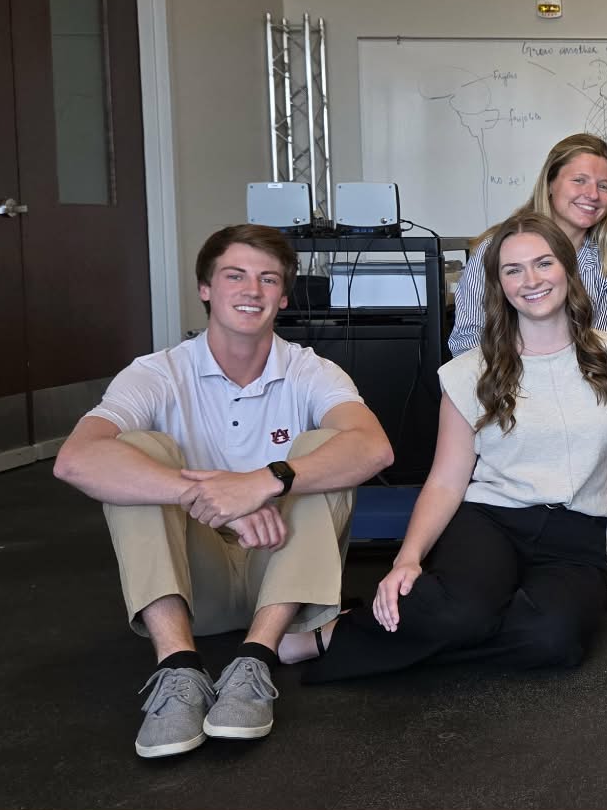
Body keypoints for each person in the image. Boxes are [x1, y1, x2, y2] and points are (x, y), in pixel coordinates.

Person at [52, 224, 395, 758]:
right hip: (197, 588)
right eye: (234, 276)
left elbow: (374, 449)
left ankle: (255, 661)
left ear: (283, 296)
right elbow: (75, 459)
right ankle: (178, 669)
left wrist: (264, 483)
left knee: (325, 447)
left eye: (267, 279)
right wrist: (214, 502)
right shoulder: (158, 372)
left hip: (282, 574)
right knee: (135, 449)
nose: (251, 291)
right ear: (205, 289)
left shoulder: (310, 369)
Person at [300, 214, 607, 683]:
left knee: (555, 640)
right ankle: (333, 636)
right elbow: (447, 480)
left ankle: (439, 626)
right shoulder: (470, 371)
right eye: (513, 270)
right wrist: (407, 558)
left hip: (576, 535)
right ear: (499, 285)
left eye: (543, 264)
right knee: (461, 613)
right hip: (490, 520)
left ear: (567, 271)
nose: (530, 281)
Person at [450, 133, 607, 354]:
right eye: (579, 180)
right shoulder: (495, 249)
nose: (593, 194)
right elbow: (467, 342)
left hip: (585, 384)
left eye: (604, 186)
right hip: (500, 382)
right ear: (550, 183)